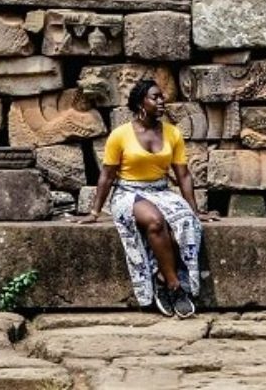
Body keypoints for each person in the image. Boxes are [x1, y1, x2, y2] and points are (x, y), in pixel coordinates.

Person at [80, 78, 214, 317]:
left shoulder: (173, 133)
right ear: (141, 102)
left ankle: (162, 277)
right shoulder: (120, 135)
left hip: (162, 192)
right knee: (155, 221)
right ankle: (174, 287)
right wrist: (94, 212)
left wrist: (195, 210)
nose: (162, 102)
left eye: (162, 97)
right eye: (155, 97)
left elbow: (183, 175)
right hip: (128, 194)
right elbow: (107, 176)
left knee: (184, 224)